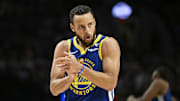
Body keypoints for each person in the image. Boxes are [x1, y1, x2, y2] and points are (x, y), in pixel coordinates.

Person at [49, 5, 121, 101]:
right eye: (81, 27)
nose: (87, 31)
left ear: (95, 23)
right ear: (72, 27)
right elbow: (54, 89)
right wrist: (70, 78)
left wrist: (80, 69)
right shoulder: (64, 47)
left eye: (90, 24)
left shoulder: (107, 44)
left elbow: (111, 83)